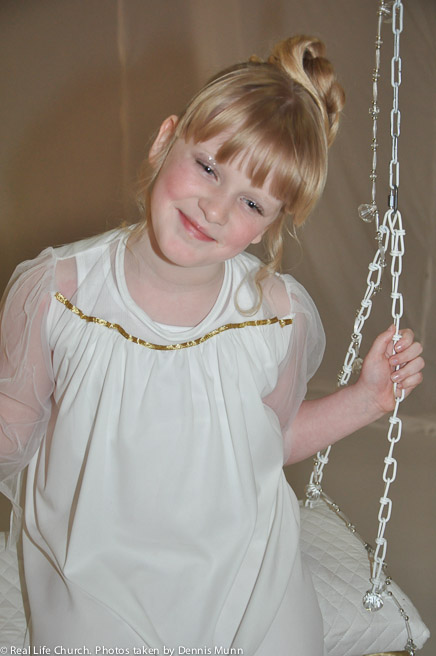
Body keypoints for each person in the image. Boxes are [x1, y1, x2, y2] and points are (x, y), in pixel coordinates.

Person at [0, 35, 424, 655]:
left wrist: (365, 399)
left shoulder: (274, 316)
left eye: (252, 202)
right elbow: (12, 431)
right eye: (208, 167)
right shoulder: (59, 294)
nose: (216, 209)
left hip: (245, 572)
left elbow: (272, 439)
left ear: (272, 224)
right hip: (97, 572)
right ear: (164, 140)